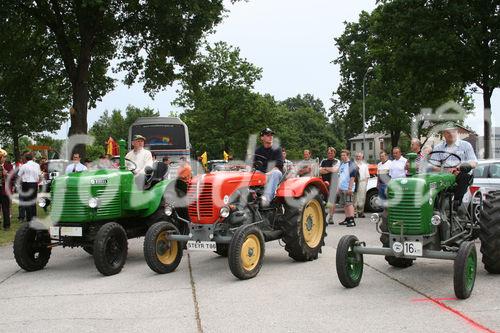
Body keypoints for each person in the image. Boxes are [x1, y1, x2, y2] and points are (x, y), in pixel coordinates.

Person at [430, 122, 477, 208]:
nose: (451, 134)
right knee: (430, 180)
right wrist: (446, 170)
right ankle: (432, 205)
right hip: (443, 176)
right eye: (448, 132)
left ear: (457, 132)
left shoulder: (466, 145)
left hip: (460, 175)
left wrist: (459, 168)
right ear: (444, 134)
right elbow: (433, 166)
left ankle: (456, 203)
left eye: (453, 131)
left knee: (464, 175)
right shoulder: (438, 148)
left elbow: (473, 162)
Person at [254, 127, 283, 205]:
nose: (270, 137)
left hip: (274, 174)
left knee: (276, 173)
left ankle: (266, 198)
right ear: (262, 137)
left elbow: (278, 166)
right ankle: (251, 195)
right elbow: (252, 165)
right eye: (267, 135)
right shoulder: (258, 151)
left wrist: (267, 174)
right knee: (250, 174)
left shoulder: (277, 149)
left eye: (271, 135)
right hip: (261, 174)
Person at [17, 153, 41, 222]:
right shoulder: (37, 165)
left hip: (26, 184)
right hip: (34, 184)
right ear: (32, 158)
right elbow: (39, 175)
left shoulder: (24, 166)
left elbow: (19, 175)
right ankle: (34, 217)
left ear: (26, 159)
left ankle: (29, 218)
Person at [337, 149, 358, 227]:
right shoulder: (342, 164)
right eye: (341, 155)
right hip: (342, 187)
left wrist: (350, 188)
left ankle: (352, 220)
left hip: (348, 188)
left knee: (349, 204)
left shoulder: (351, 164)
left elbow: (352, 177)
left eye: (344, 155)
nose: (342, 157)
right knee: (345, 204)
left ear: (348, 156)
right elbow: (340, 176)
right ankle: (347, 218)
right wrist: (338, 187)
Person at [319, 147, 340, 224]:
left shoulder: (337, 161)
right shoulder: (323, 161)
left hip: (333, 182)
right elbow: (320, 171)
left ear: (334, 153)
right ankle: (323, 217)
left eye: (332, 153)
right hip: (324, 183)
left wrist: (325, 169)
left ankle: (330, 217)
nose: (330, 154)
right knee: (324, 201)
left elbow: (335, 170)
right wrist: (330, 169)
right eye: (329, 153)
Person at [0, 149, 13, 230]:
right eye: (2, 157)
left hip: (4, 190)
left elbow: (13, 177)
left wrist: (6, 174)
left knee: (5, 208)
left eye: (4, 157)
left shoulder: (9, 166)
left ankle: (7, 225)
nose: (3, 158)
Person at [354, 151, 369, 218]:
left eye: (359, 156)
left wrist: (365, 184)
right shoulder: (352, 165)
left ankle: (360, 212)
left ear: (362, 157)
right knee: (355, 197)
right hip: (354, 183)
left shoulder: (365, 165)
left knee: (362, 198)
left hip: (362, 182)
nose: (358, 157)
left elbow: (367, 176)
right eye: (357, 156)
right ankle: (354, 212)